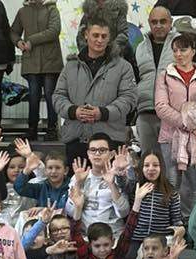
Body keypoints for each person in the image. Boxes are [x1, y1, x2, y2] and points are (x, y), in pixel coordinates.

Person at [53, 21, 137, 165]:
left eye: (104, 36)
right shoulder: (70, 66)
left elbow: (129, 99)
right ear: (86, 35)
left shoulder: (124, 67)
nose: (100, 40)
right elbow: (58, 96)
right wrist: (74, 111)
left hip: (111, 142)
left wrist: (103, 113)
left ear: (109, 38)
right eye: (95, 35)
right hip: (76, 139)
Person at [155, 33, 196, 213]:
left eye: (183, 49)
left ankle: (195, 221)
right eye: (175, 51)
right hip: (170, 137)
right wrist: (186, 123)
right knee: (172, 180)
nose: (179, 54)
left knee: (195, 180)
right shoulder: (164, 76)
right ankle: (173, 219)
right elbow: (160, 107)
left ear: (193, 51)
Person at [12, 0, 64, 140]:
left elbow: (54, 31)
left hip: (50, 61)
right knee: (33, 97)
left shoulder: (51, 9)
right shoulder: (22, 12)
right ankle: (32, 129)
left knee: (49, 95)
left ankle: (52, 129)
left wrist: (31, 40)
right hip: (31, 61)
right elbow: (13, 32)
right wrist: (18, 42)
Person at [137, 5, 178, 157]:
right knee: (148, 162)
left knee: (172, 164)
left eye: (163, 21)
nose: (158, 25)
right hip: (145, 111)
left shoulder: (180, 46)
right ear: (149, 23)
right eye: (154, 22)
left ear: (171, 22)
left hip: (171, 113)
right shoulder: (140, 48)